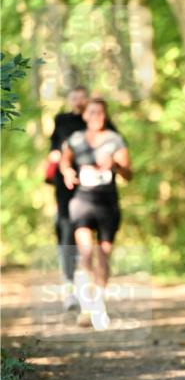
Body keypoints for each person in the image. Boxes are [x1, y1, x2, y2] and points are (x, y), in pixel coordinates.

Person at [59, 96, 132, 330]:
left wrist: (116, 165)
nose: (95, 117)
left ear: (105, 116)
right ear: (84, 115)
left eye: (99, 113)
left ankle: (99, 301)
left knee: (103, 255)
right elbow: (64, 161)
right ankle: (89, 306)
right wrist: (68, 172)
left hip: (107, 202)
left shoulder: (114, 140)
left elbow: (129, 174)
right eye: (91, 113)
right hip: (82, 201)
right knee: (86, 253)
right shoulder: (76, 138)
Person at [46, 85, 89, 310]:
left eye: (81, 98)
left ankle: (93, 289)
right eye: (74, 97)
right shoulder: (61, 120)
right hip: (65, 186)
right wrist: (56, 157)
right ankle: (69, 290)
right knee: (66, 232)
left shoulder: (96, 119)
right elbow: (54, 148)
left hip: (92, 187)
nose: (77, 101)